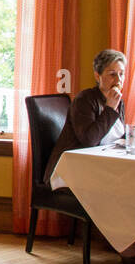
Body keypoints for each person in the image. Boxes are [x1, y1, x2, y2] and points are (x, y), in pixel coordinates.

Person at [44, 48, 129, 184]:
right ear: (97, 76)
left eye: (122, 74)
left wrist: (133, 134)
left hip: (101, 165)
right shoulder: (85, 99)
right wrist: (110, 108)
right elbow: (89, 140)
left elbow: (115, 137)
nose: (118, 80)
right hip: (72, 171)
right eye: (112, 74)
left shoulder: (119, 101)